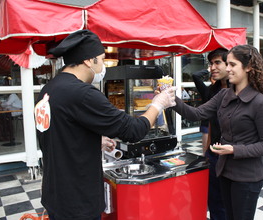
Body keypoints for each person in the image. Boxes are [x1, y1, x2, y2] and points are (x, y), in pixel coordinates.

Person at [34, 30, 176, 220]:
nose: (103, 66)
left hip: (55, 194)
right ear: (88, 60)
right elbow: (134, 130)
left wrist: (92, 140)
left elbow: (60, 135)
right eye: (101, 59)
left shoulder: (48, 89)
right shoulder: (82, 93)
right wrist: (158, 104)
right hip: (78, 203)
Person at [170, 44, 263, 220]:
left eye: (232, 65)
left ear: (249, 67)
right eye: (227, 64)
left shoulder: (261, 103)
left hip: (247, 178)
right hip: (224, 171)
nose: (227, 69)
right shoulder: (224, 95)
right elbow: (196, 114)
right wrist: (170, 98)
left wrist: (235, 149)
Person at [192, 48, 228, 220]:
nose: (213, 67)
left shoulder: (242, 92)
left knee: (228, 204)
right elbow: (209, 121)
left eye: (217, 62)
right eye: (211, 63)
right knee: (214, 201)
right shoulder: (214, 91)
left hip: (233, 156)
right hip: (214, 153)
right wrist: (207, 150)